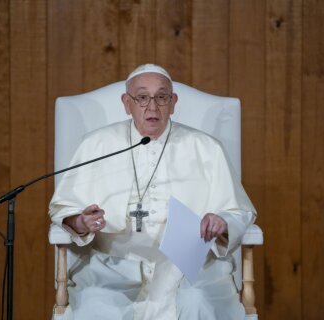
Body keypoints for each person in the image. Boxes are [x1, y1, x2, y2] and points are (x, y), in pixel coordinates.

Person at [49, 64, 256, 320]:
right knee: (95, 306)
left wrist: (222, 221)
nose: (153, 107)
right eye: (142, 98)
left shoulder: (206, 148)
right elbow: (63, 208)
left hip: (189, 268)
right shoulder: (96, 144)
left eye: (162, 97)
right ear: (127, 103)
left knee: (197, 303)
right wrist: (81, 221)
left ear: (173, 102)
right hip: (112, 268)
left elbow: (239, 211)